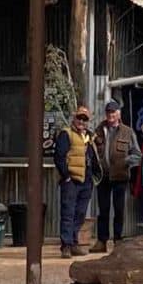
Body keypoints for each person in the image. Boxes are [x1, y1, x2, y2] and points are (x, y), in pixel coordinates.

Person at [92, 102, 137, 249]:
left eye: (113, 112)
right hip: (103, 176)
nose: (110, 115)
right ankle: (102, 241)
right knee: (103, 210)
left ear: (119, 113)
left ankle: (118, 240)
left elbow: (137, 154)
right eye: (108, 112)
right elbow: (91, 151)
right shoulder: (98, 130)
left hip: (120, 176)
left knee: (119, 209)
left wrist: (125, 161)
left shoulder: (128, 132)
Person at [50, 104, 94, 256]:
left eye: (85, 119)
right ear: (74, 119)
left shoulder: (90, 136)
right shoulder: (66, 134)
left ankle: (74, 242)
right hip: (71, 180)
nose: (81, 121)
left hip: (86, 180)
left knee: (80, 213)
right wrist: (66, 176)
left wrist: (93, 177)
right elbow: (59, 156)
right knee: (68, 213)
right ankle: (66, 245)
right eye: (79, 118)